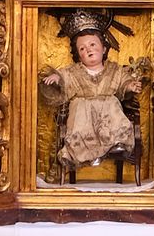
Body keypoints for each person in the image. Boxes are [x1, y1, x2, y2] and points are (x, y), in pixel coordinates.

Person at [39, 12, 140, 176]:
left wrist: (130, 85)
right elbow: (65, 77)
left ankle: (117, 142)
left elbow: (123, 80)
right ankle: (87, 152)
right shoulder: (74, 71)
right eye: (82, 49)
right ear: (78, 55)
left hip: (108, 111)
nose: (89, 50)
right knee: (79, 109)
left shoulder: (114, 69)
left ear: (104, 48)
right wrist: (56, 77)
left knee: (112, 103)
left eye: (93, 44)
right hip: (83, 111)